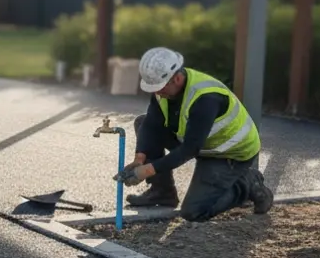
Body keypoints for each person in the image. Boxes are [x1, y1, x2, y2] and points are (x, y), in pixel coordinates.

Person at [117, 46, 274, 222]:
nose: (157, 92)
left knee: (195, 212)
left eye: (160, 87)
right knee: (142, 122)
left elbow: (190, 149)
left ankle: (248, 184)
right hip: (204, 145)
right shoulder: (164, 90)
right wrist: (139, 159)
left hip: (229, 154)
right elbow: (152, 124)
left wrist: (146, 170)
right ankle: (162, 193)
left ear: (176, 78)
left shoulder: (206, 98)